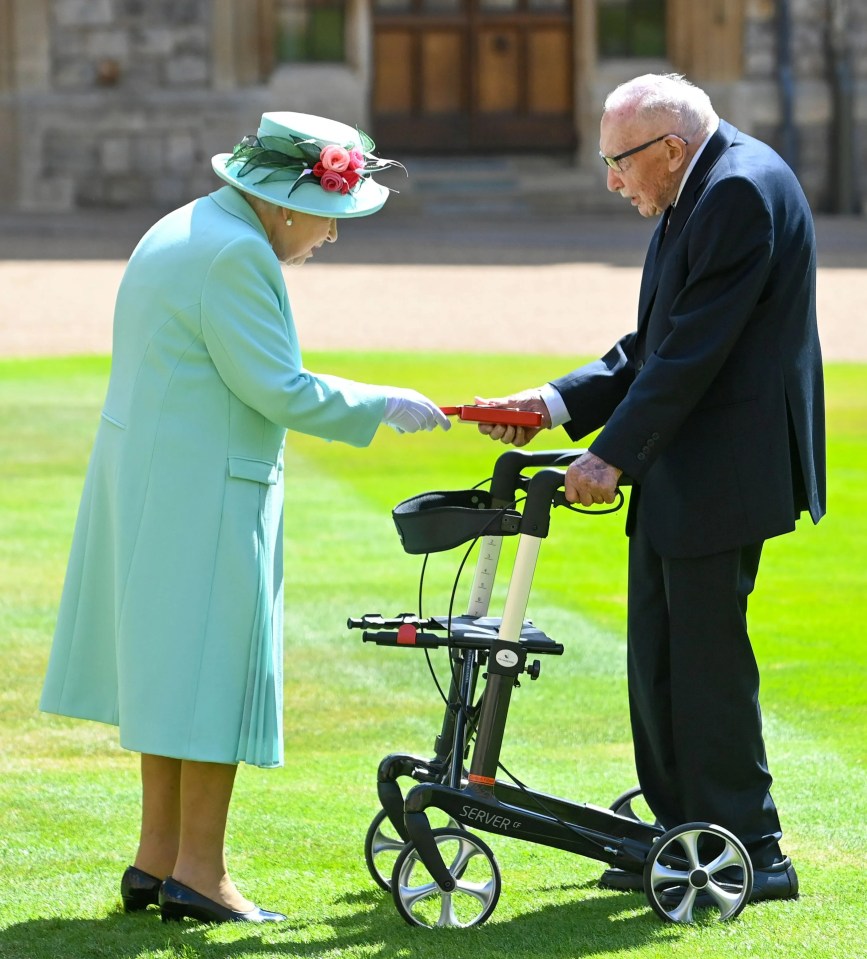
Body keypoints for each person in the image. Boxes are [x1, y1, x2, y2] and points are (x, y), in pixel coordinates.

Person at [40, 111, 450, 924]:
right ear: (287, 203)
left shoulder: (183, 224)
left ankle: (156, 857)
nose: (331, 236)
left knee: (169, 675)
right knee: (213, 680)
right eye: (330, 217)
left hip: (155, 481)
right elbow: (278, 387)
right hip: (203, 492)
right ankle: (201, 871)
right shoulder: (236, 252)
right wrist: (382, 403)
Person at [478, 74, 825, 904]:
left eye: (618, 162)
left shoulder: (736, 190)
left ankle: (753, 846)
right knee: (659, 658)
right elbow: (655, 339)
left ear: (668, 148)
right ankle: (680, 834)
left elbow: (690, 353)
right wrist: (554, 404)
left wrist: (611, 456)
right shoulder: (698, 182)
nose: (611, 180)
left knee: (703, 664)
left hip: (724, 466)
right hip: (688, 461)